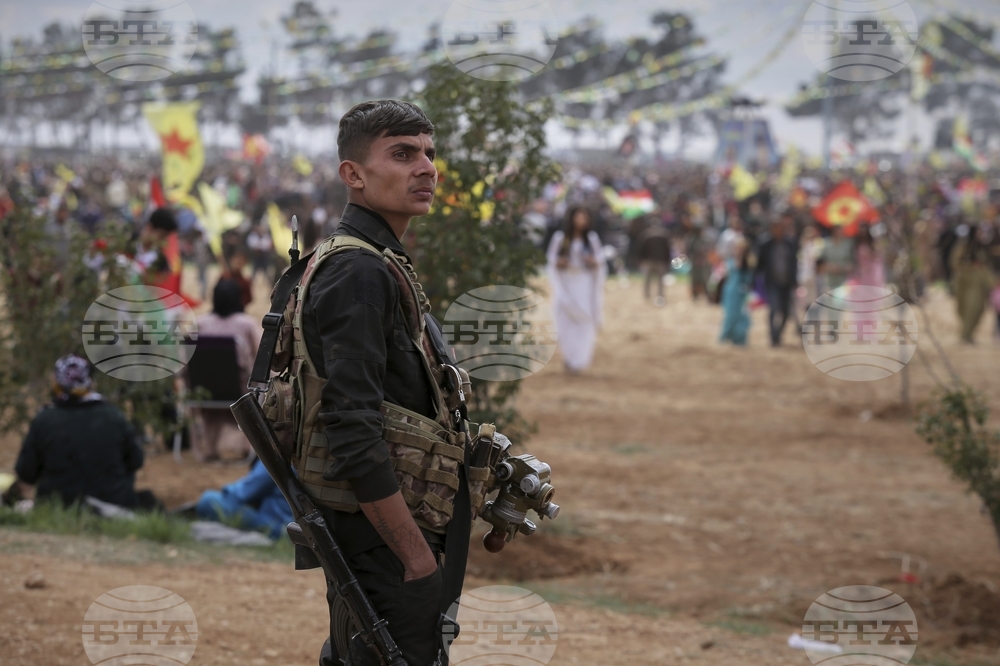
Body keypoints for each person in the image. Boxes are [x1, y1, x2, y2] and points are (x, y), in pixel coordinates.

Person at [292, 100, 465, 666]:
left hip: (383, 531)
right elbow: (351, 425)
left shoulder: (374, 259)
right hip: (385, 539)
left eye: (429, 154)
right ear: (354, 175)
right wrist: (415, 559)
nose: (426, 168)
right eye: (402, 153)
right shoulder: (359, 271)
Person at [13, 355, 159, 510]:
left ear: (57, 383)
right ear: (89, 382)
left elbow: (26, 472)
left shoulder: (44, 420)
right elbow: (136, 459)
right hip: (114, 503)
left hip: (59, 506)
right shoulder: (112, 415)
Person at [547, 206, 606, 373]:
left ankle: (581, 359)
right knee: (566, 320)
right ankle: (569, 357)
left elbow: (600, 260)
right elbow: (551, 260)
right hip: (566, 282)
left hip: (584, 284)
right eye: (578, 218)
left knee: (584, 319)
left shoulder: (591, 239)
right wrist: (559, 263)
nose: (581, 222)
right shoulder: (561, 238)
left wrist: (593, 261)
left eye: (584, 218)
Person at [196, 459, 293, 540]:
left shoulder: (278, 457)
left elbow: (245, 493)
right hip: (295, 525)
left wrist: (227, 491)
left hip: (277, 525)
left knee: (208, 499)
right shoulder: (302, 460)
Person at [755, 215, 798, 346]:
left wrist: (795, 280)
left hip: (787, 283)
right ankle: (773, 337)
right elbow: (759, 264)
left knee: (785, 311)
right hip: (772, 282)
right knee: (774, 308)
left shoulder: (790, 243)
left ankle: (778, 333)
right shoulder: (765, 244)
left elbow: (794, 263)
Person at [719, 238, 753, 346]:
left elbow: (748, 279)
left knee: (741, 316)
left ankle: (739, 338)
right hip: (730, 291)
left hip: (741, 293)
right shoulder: (730, 261)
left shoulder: (748, 263)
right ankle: (725, 336)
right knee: (729, 315)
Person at [636, 219, 671, 306]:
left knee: (648, 279)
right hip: (661, 261)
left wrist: (641, 259)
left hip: (649, 260)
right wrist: (667, 261)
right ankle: (660, 295)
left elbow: (641, 249)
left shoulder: (646, 235)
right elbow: (667, 250)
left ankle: (647, 295)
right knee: (660, 280)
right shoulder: (664, 234)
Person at [818, 224, 854, 292]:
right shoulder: (826, 244)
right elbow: (820, 263)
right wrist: (829, 267)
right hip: (829, 280)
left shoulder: (847, 245)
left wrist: (843, 268)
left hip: (844, 280)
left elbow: (851, 263)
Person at [853, 223, 885, 288]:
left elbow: (877, 256)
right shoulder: (857, 243)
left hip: (873, 271)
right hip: (862, 271)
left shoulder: (872, 243)